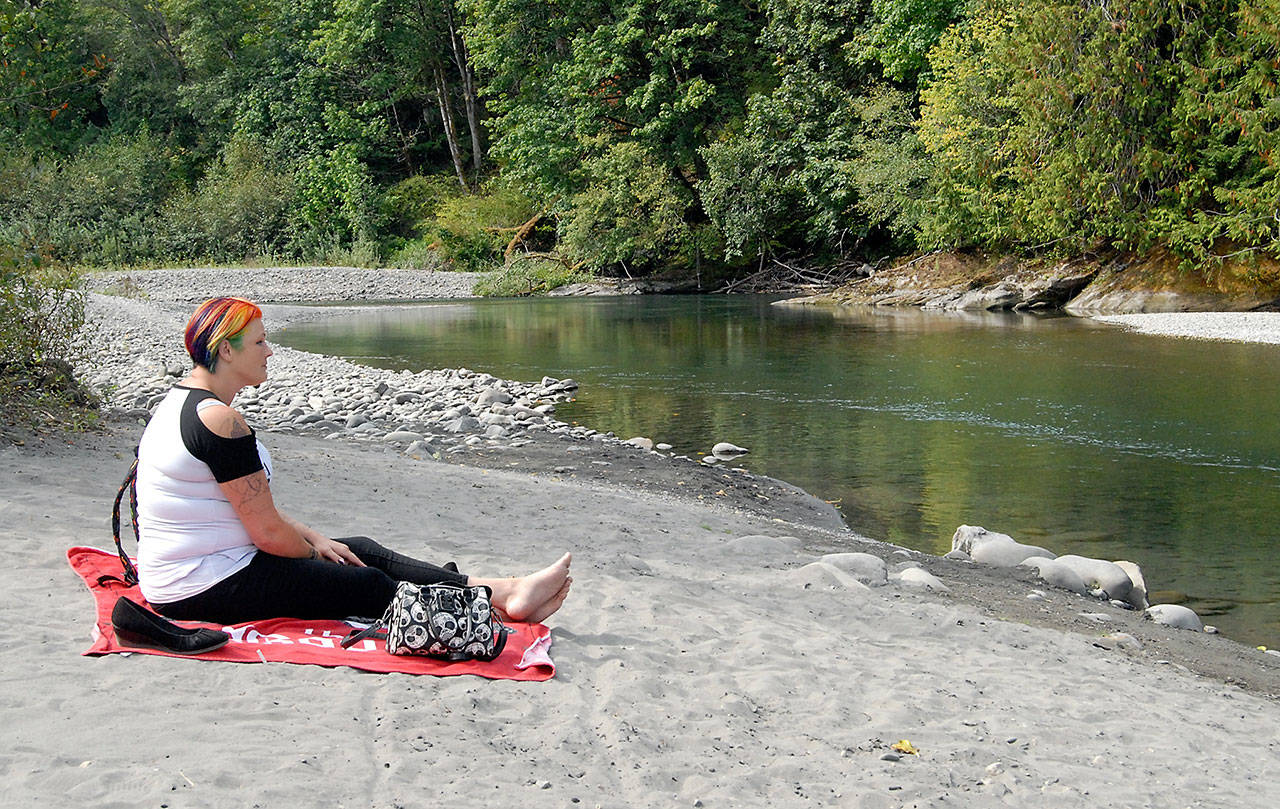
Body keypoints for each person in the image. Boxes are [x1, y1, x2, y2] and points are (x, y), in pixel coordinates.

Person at [134, 296, 571, 627]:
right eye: (260, 342)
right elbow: (267, 534)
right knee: (365, 582)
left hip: (204, 569)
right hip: (200, 587)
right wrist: (315, 555)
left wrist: (315, 538)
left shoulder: (182, 403)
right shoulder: (219, 420)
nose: (269, 351)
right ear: (226, 351)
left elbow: (247, 508)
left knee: (359, 549)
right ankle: (484, 609)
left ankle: (502, 590)